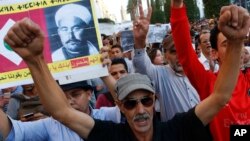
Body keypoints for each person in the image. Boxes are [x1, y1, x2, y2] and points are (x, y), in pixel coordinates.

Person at [3, 1, 247, 140]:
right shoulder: (110, 135)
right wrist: (35, 60)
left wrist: (236, 43)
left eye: (145, 100)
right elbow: (60, 112)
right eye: (130, 103)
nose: (140, 109)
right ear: (119, 106)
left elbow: (220, 97)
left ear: (155, 101)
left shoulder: (175, 129)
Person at [170, 0, 250, 140]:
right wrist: (177, 6)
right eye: (227, 44)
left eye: (238, 42)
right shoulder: (208, 82)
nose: (236, 48)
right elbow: (185, 53)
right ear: (214, 53)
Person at [0, 80, 121, 141]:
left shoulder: (105, 115)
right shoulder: (51, 124)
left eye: (76, 94)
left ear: (89, 94)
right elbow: (12, 131)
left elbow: (126, 105)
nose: (69, 101)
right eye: (63, 96)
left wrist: (105, 74)